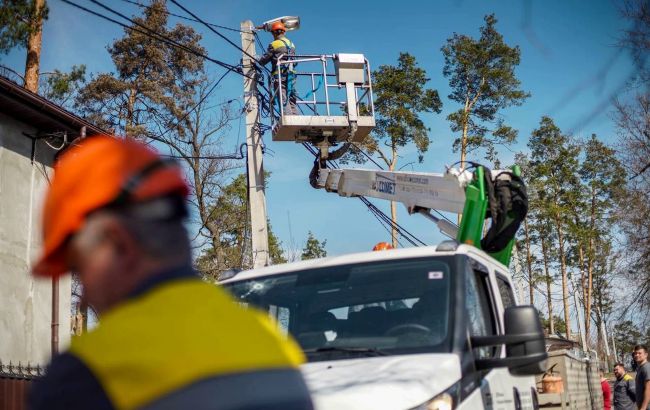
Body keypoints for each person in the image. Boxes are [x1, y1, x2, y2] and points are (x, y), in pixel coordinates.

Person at [28, 136, 314, 410]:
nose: (82, 299)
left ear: (118, 244)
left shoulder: (87, 374)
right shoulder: (270, 340)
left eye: (79, 268)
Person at [258, 21, 298, 115]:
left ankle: (288, 119)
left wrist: (257, 59)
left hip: (280, 76)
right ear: (284, 32)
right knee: (292, 98)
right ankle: (296, 117)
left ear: (274, 33)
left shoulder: (274, 44)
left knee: (283, 98)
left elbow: (264, 60)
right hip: (292, 76)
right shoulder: (292, 44)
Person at [634, 344, 650, 410]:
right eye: (635, 353)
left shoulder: (646, 367)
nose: (637, 355)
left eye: (639, 353)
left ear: (646, 355)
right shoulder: (640, 368)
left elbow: (648, 388)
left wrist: (643, 408)